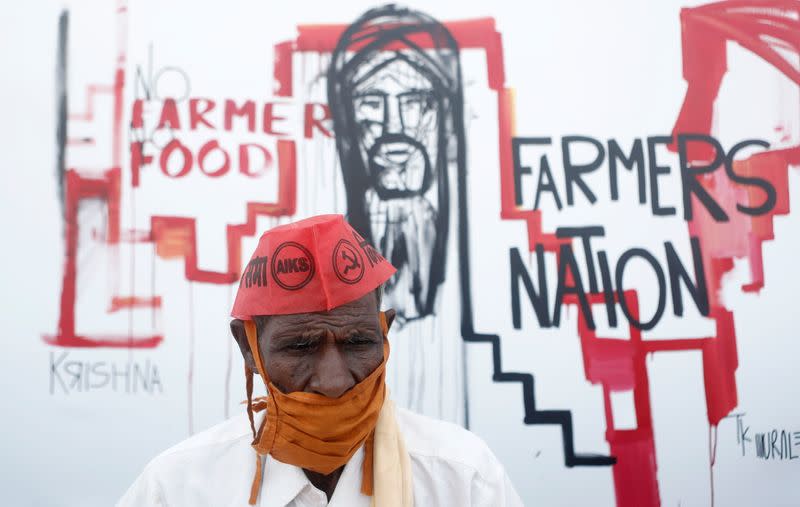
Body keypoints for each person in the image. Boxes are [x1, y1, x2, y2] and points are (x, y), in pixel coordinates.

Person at [117, 215, 522, 506]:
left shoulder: (462, 477)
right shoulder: (179, 488)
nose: (333, 382)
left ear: (385, 334)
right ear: (249, 348)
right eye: (300, 347)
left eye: (359, 341)